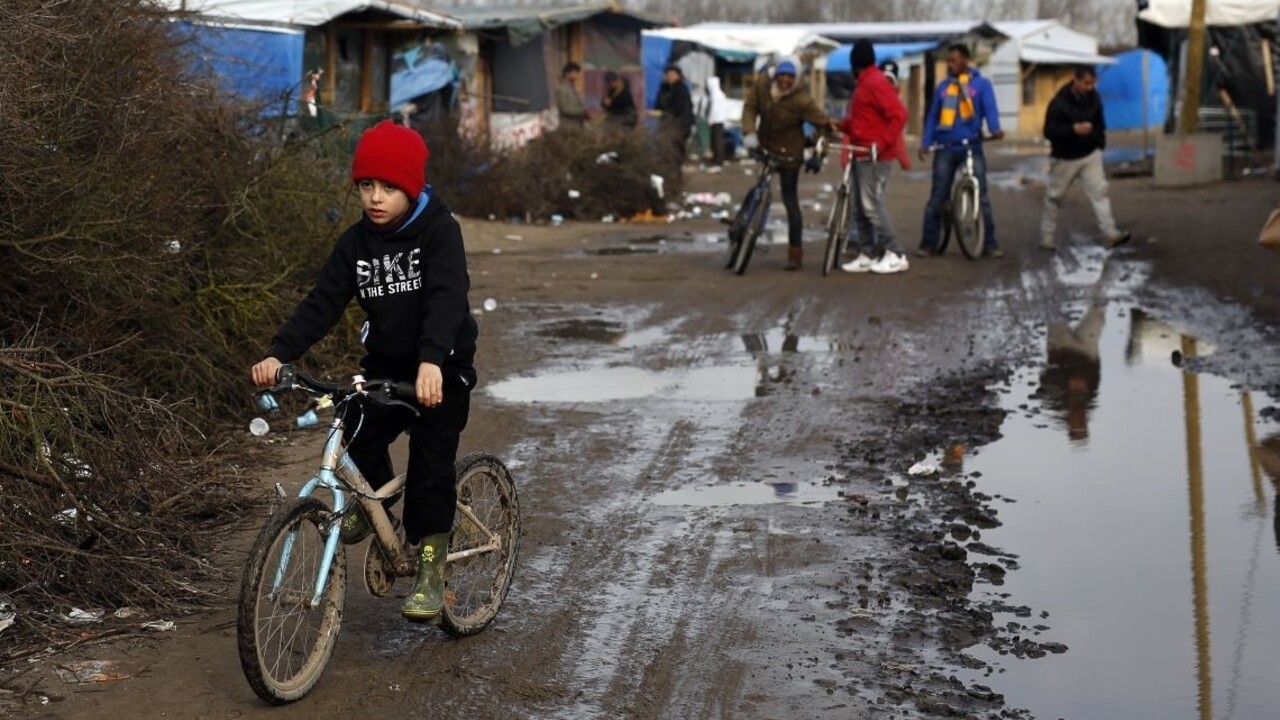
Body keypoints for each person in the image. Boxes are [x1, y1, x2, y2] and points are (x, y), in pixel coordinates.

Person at [250, 120, 478, 624]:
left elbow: (446, 299)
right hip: (384, 368)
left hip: (441, 368)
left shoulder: (440, 231)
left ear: (411, 187)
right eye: (366, 186)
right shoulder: (356, 243)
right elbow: (322, 303)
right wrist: (279, 353)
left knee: (429, 469)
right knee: (357, 436)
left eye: (389, 187)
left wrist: (433, 362)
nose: (376, 197)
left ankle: (431, 568)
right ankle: (377, 511)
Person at [741, 56, 839, 271]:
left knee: (790, 201)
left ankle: (795, 252)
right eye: (782, 75)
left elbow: (823, 125)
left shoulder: (802, 100)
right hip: (764, 146)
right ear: (775, 75)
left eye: (790, 77)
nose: (785, 80)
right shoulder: (762, 87)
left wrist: (817, 153)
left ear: (796, 79)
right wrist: (749, 134)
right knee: (758, 190)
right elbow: (750, 108)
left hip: (789, 153)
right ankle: (742, 227)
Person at [918, 44, 1005, 258]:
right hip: (945, 147)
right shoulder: (943, 88)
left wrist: (995, 129)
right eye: (949, 60)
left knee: (981, 195)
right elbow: (932, 117)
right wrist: (926, 142)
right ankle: (929, 243)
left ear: (966, 60)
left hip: (972, 146)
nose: (950, 64)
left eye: (954, 60)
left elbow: (990, 109)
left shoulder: (981, 85)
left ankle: (989, 244)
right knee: (937, 196)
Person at [838, 40, 911, 275]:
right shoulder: (864, 84)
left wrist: (879, 145)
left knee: (871, 205)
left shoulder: (875, 82)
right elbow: (863, 123)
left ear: (854, 63)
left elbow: (899, 114)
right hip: (861, 153)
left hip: (876, 156)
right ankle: (867, 253)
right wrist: (839, 126)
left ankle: (896, 253)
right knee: (860, 207)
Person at [1040, 65, 1131, 251]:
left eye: (1092, 83)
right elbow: (1049, 131)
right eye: (1086, 83)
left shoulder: (1094, 99)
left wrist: (1099, 144)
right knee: (1055, 197)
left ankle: (1110, 233)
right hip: (1065, 157)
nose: (1089, 87)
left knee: (1100, 193)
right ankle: (1047, 237)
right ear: (1076, 80)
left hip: (1090, 154)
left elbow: (1100, 123)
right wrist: (1072, 130)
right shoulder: (1058, 103)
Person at [653, 64, 695, 162]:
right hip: (667, 122)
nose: (669, 76)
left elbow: (680, 107)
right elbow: (659, 103)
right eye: (668, 74)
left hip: (680, 123)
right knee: (665, 147)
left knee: (676, 148)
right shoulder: (664, 88)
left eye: (672, 74)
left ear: (678, 76)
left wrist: (663, 113)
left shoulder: (681, 89)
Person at [705, 75, 729, 166]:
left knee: (717, 141)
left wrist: (710, 120)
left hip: (716, 120)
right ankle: (717, 158)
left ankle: (718, 159)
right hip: (719, 120)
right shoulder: (720, 94)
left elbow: (714, 109)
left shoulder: (716, 95)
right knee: (716, 140)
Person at [556, 61, 587, 128]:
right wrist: (582, 111)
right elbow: (564, 109)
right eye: (575, 72)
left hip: (577, 124)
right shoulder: (562, 89)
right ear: (567, 73)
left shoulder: (573, 88)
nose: (577, 75)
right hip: (568, 126)